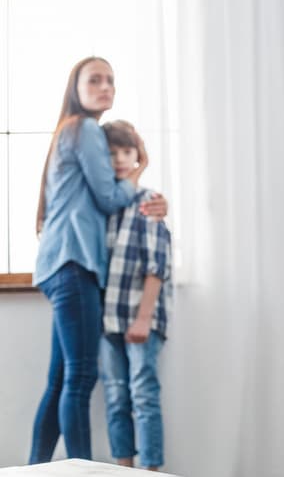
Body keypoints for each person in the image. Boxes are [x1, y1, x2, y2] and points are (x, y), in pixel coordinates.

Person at [31, 57, 166, 463]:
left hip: (59, 263)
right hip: (74, 263)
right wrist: (139, 176)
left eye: (110, 80)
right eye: (95, 80)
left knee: (60, 380)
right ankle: (82, 471)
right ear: (76, 87)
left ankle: (32, 468)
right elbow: (108, 197)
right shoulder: (85, 128)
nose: (105, 86)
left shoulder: (67, 131)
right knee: (80, 377)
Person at [98, 120, 172, 472]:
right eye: (111, 153)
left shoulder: (148, 203)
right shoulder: (104, 207)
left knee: (143, 393)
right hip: (106, 317)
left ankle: (151, 469)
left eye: (126, 152)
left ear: (137, 155)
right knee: (115, 396)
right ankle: (122, 467)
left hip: (141, 316)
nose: (118, 159)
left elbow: (156, 266)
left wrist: (143, 317)